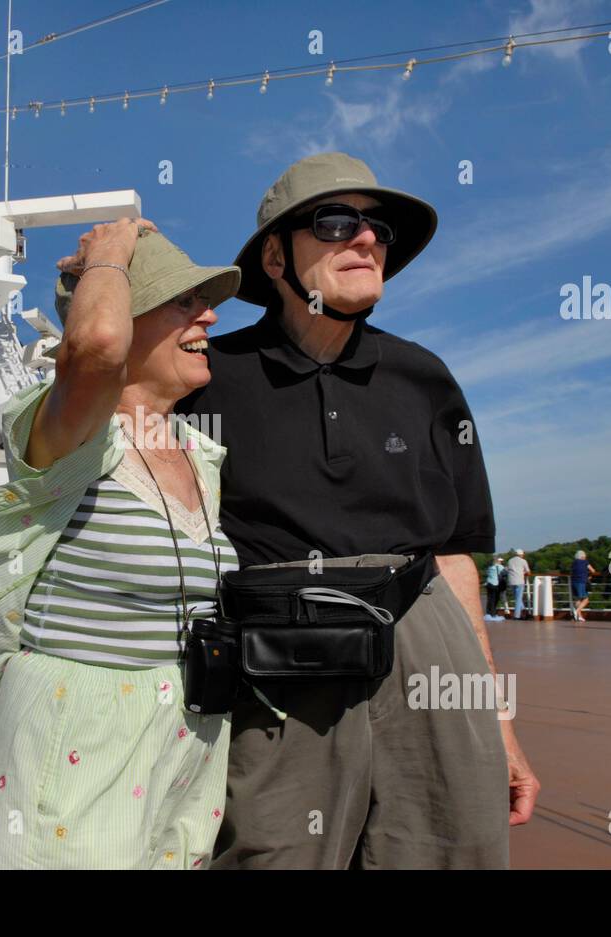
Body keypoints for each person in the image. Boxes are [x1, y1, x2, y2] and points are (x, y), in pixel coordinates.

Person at [176, 152, 538, 869]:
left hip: (425, 636)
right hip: (282, 659)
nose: (366, 239)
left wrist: (497, 718)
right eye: (337, 222)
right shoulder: (208, 379)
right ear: (275, 257)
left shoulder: (425, 377)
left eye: (377, 229)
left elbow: (455, 555)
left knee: (453, 844)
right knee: (275, 850)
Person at [0, 220, 243, 868]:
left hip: (187, 735)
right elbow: (96, 349)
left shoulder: (202, 454)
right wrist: (109, 249)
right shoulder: (73, 437)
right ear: (127, 310)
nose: (211, 316)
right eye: (184, 302)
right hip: (82, 734)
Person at [570, 550, 598, 622]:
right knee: (586, 600)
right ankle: (577, 611)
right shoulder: (585, 562)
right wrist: (590, 574)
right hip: (581, 582)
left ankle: (579, 616)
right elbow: (592, 570)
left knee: (578, 599)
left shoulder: (574, 563)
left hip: (573, 582)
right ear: (583, 556)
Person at [506, 548, 532, 620]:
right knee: (518, 599)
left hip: (511, 581)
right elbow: (528, 572)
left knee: (517, 598)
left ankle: (524, 611)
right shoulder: (523, 561)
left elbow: (507, 569)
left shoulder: (510, 560)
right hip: (519, 581)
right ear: (521, 554)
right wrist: (524, 573)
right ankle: (517, 615)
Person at [484, 556, 506, 621]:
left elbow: (487, 573)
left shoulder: (490, 567)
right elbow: (505, 573)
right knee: (495, 599)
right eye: (500, 561)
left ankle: (488, 613)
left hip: (488, 584)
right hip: (495, 584)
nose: (501, 562)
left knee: (489, 599)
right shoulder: (500, 566)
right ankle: (493, 614)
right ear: (498, 561)